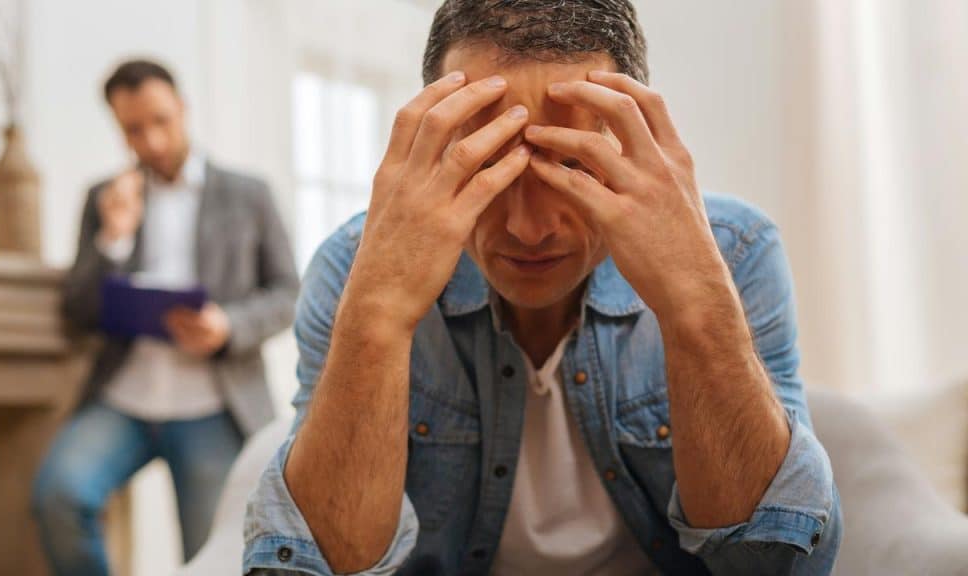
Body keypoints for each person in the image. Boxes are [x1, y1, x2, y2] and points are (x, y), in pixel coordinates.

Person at [244, 1, 842, 574]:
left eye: (573, 165)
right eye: (487, 165)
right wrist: (377, 317)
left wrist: (694, 302)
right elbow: (314, 568)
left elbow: (780, 562)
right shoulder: (352, 268)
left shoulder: (735, 253)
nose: (528, 229)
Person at [32, 59, 300, 575]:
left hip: (212, 406)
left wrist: (227, 325)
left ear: (182, 108)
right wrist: (114, 237)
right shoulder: (104, 199)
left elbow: (289, 293)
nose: (151, 141)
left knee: (210, 555)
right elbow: (77, 311)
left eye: (161, 121)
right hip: (123, 400)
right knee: (58, 495)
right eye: (133, 129)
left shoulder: (248, 195)